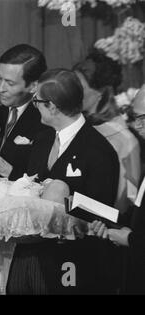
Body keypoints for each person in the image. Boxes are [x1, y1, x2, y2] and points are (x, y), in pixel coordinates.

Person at [8, 69, 119, 294]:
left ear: (52, 106)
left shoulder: (98, 150)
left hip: (72, 263)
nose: (33, 105)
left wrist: (59, 197)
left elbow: (105, 212)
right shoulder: (43, 138)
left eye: (36, 101)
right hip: (26, 258)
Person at [73, 51, 140, 216]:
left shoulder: (124, 139)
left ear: (100, 92)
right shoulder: (77, 126)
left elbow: (127, 198)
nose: (71, 92)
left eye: (78, 87)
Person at [0, 44, 50, 180]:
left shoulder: (46, 120)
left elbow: (44, 180)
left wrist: (4, 169)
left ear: (33, 86)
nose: (1, 88)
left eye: (10, 83)